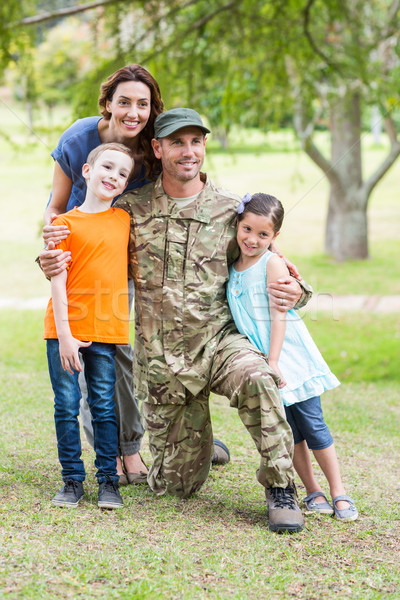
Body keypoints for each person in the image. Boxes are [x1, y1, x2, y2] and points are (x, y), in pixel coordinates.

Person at [113, 108, 314, 533]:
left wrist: (299, 292)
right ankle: (203, 448)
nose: (189, 152)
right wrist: (55, 254)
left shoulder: (230, 210)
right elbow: (92, 253)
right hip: (162, 362)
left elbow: (268, 259)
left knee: (259, 377)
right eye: (178, 142)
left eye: (196, 142)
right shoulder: (130, 209)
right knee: (175, 487)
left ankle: (280, 488)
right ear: (158, 148)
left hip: (219, 343)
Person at [40, 64, 165, 484]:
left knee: (119, 355)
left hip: (124, 260)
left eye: (143, 104)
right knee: (85, 352)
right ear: (108, 103)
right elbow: (55, 205)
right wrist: (50, 245)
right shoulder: (78, 139)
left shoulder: (152, 149)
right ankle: (111, 456)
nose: (133, 112)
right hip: (76, 255)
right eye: (124, 101)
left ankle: (129, 449)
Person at [226, 192, 358, 522]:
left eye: (263, 234)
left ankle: (339, 491)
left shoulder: (272, 263)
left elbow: (279, 315)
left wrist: (273, 361)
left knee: (313, 425)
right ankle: (313, 490)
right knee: (289, 431)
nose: (251, 239)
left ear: (274, 237)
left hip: (287, 356)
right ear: (237, 225)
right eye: (246, 229)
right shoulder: (233, 265)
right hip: (264, 358)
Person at [44, 142, 135, 509]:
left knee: (104, 406)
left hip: (107, 330)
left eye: (122, 173)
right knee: (66, 405)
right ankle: (71, 480)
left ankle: (108, 481)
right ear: (86, 171)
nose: (112, 176)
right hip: (64, 330)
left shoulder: (125, 221)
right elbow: (56, 280)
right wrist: (65, 334)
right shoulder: (63, 224)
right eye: (107, 168)